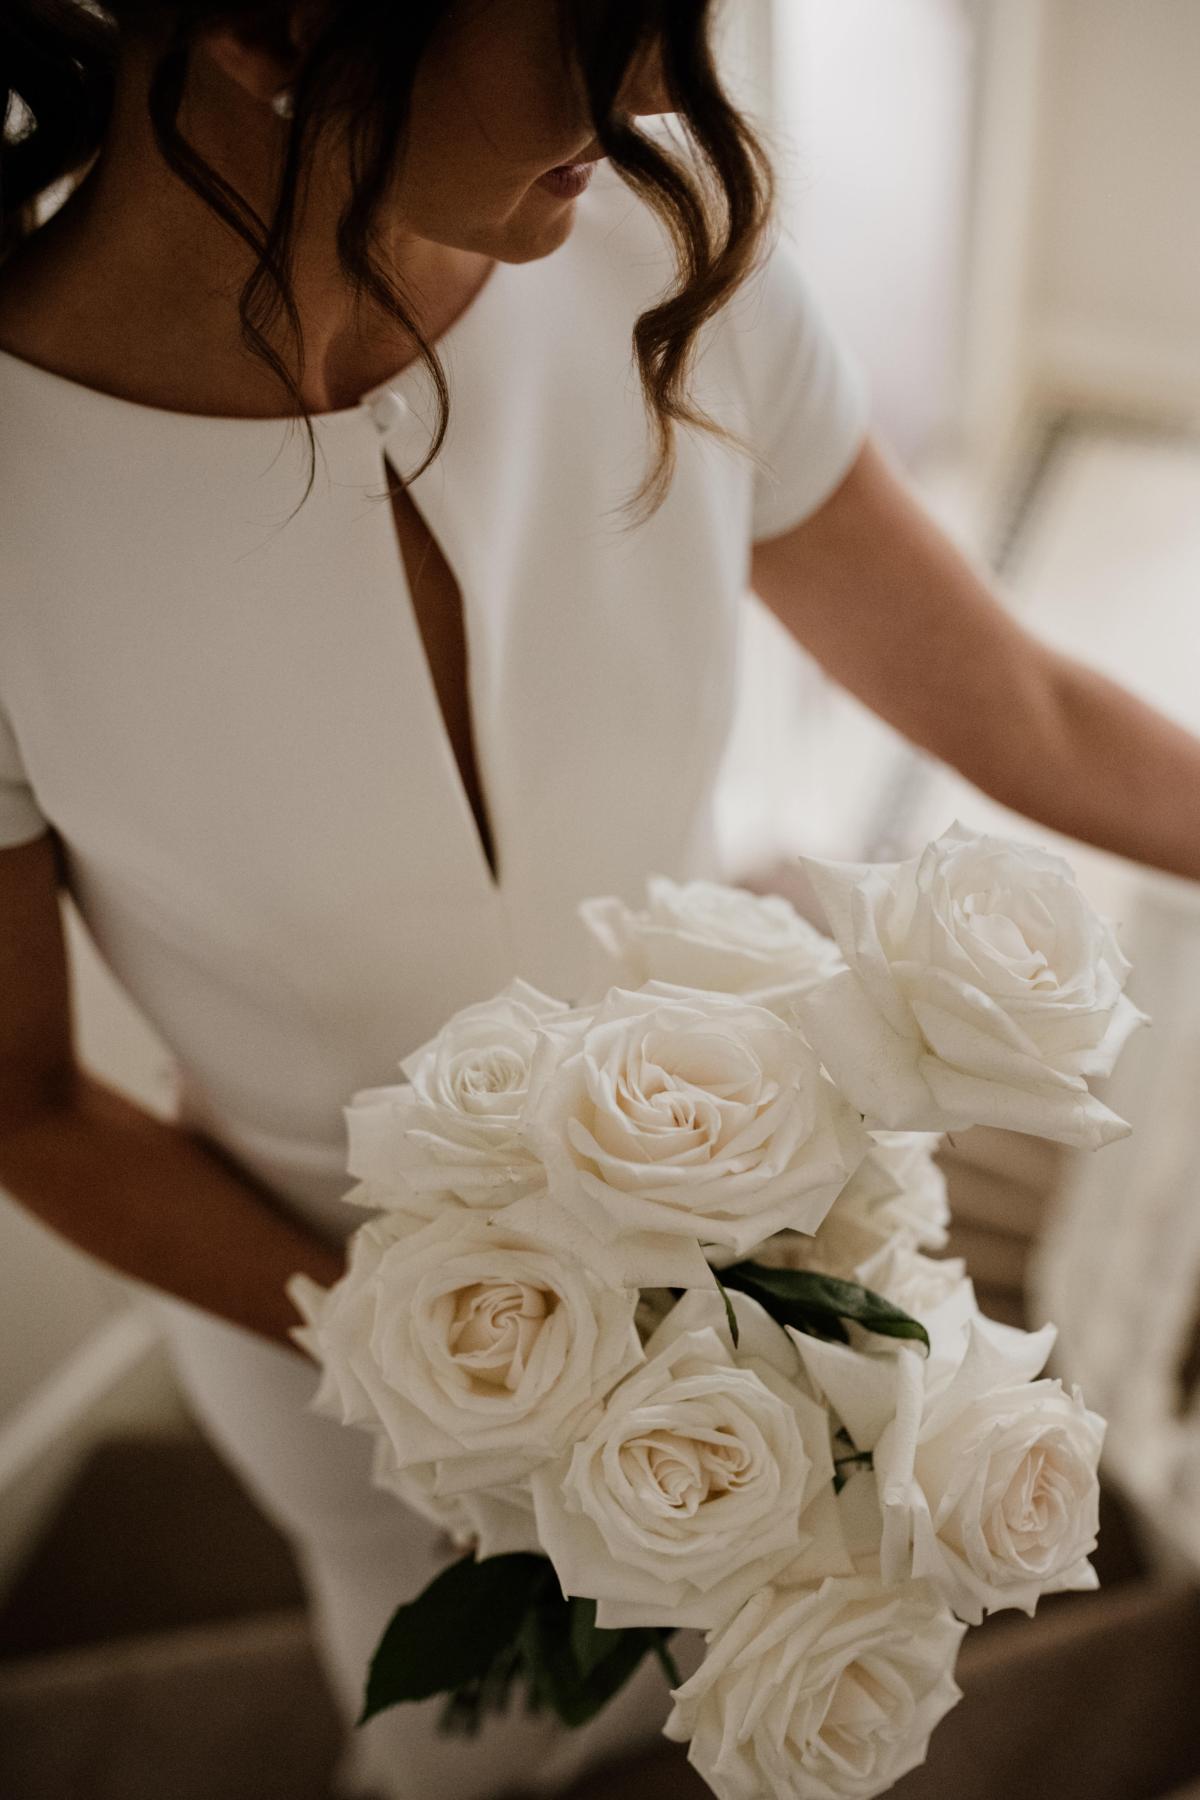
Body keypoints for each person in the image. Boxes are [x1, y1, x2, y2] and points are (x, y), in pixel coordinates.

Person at [1, 3, 1199, 1797]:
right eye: (595, 19)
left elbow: (1017, 704)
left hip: (762, 1256)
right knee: (452, 1757)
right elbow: (22, 1101)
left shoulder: (656, 254)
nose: (657, 91)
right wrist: (487, 1378)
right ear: (271, 22)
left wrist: (704, 1350)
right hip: (339, 1348)